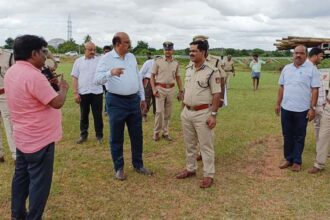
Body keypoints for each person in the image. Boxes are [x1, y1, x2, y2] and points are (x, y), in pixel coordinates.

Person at [5, 35, 68, 220]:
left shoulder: (12, 71)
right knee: (39, 185)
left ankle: (17, 215)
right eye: (42, 52)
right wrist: (63, 89)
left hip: (23, 137)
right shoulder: (34, 75)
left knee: (21, 179)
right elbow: (56, 102)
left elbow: (33, 96)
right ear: (33, 53)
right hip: (40, 140)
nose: (44, 56)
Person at [95, 32, 153, 180]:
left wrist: (142, 97)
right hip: (116, 102)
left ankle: (138, 164)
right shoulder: (106, 59)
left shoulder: (131, 57)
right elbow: (97, 80)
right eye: (127, 42)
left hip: (133, 100)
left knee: (137, 134)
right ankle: (119, 167)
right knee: (116, 135)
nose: (129, 44)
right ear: (117, 44)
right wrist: (110, 72)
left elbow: (137, 78)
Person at [176, 40, 221, 188]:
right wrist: (183, 108)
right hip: (187, 112)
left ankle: (208, 175)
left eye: (194, 51)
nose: (191, 53)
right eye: (190, 50)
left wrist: (213, 114)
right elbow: (187, 90)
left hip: (203, 113)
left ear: (203, 52)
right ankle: (190, 168)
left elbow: (216, 94)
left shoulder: (212, 71)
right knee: (189, 144)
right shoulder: (188, 69)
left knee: (205, 145)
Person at [275, 45, 320, 172]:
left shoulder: (312, 70)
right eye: (296, 53)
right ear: (293, 54)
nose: (298, 55)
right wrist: (278, 104)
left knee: (299, 135)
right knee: (287, 134)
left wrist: (312, 108)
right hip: (286, 108)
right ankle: (288, 158)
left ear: (306, 55)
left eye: (301, 53)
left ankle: (297, 161)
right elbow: (282, 87)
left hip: (302, 109)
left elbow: (315, 90)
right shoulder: (287, 69)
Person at [191, 35, 226, 161]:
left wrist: (221, 98)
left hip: (211, 99)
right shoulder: (193, 60)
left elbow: (221, 80)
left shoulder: (215, 61)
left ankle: (205, 151)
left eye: (200, 43)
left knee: (207, 126)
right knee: (195, 127)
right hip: (197, 99)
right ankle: (199, 150)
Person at [71, 41, 104, 144]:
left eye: (94, 49)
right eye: (90, 50)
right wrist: (76, 93)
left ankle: (99, 136)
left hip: (97, 92)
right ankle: (83, 135)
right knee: (83, 115)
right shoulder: (78, 61)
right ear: (84, 49)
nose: (93, 52)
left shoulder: (99, 61)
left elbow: (104, 75)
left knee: (97, 115)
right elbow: (75, 77)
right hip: (83, 92)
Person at [150, 41, 183, 141]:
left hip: (171, 89)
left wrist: (181, 90)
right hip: (160, 88)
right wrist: (153, 89)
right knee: (159, 112)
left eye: (169, 49)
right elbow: (152, 76)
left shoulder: (176, 63)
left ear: (172, 50)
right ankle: (156, 132)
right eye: (166, 50)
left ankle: (165, 132)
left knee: (168, 113)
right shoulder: (158, 61)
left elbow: (178, 77)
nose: (167, 51)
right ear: (163, 50)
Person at [307, 48, 330, 174]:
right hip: (323, 106)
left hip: (323, 104)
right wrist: (314, 106)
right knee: (322, 133)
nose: (322, 58)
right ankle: (320, 161)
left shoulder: (315, 68)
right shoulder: (309, 68)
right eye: (321, 56)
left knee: (320, 130)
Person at [0, 48, 16, 163]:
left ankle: (15, 154)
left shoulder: (9, 55)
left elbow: (16, 75)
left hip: (5, 93)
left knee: (9, 124)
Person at [140, 52, 156, 122]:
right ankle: (143, 115)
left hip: (158, 82)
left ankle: (156, 115)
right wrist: (140, 84)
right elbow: (141, 73)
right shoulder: (148, 62)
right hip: (148, 81)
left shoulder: (162, 63)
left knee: (157, 100)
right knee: (146, 99)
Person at [102, 45, 112, 116]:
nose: (107, 53)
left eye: (108, 51)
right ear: (103, 52)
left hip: (109, 81)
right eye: (105, 51)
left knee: (107, 96)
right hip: (101, 81)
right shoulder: (100, 59)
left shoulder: (113, 60)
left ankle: (107, 110)